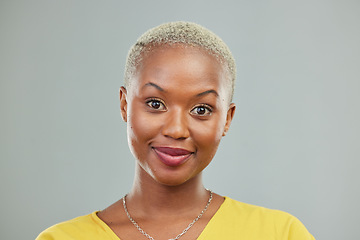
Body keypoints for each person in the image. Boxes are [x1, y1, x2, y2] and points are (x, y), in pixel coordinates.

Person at [36, 21, 315, 240]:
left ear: (227, 120)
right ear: (124, 104)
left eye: (201, 109)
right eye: (155, 103)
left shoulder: (280, 234)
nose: (177, 129)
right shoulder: (62, 238)